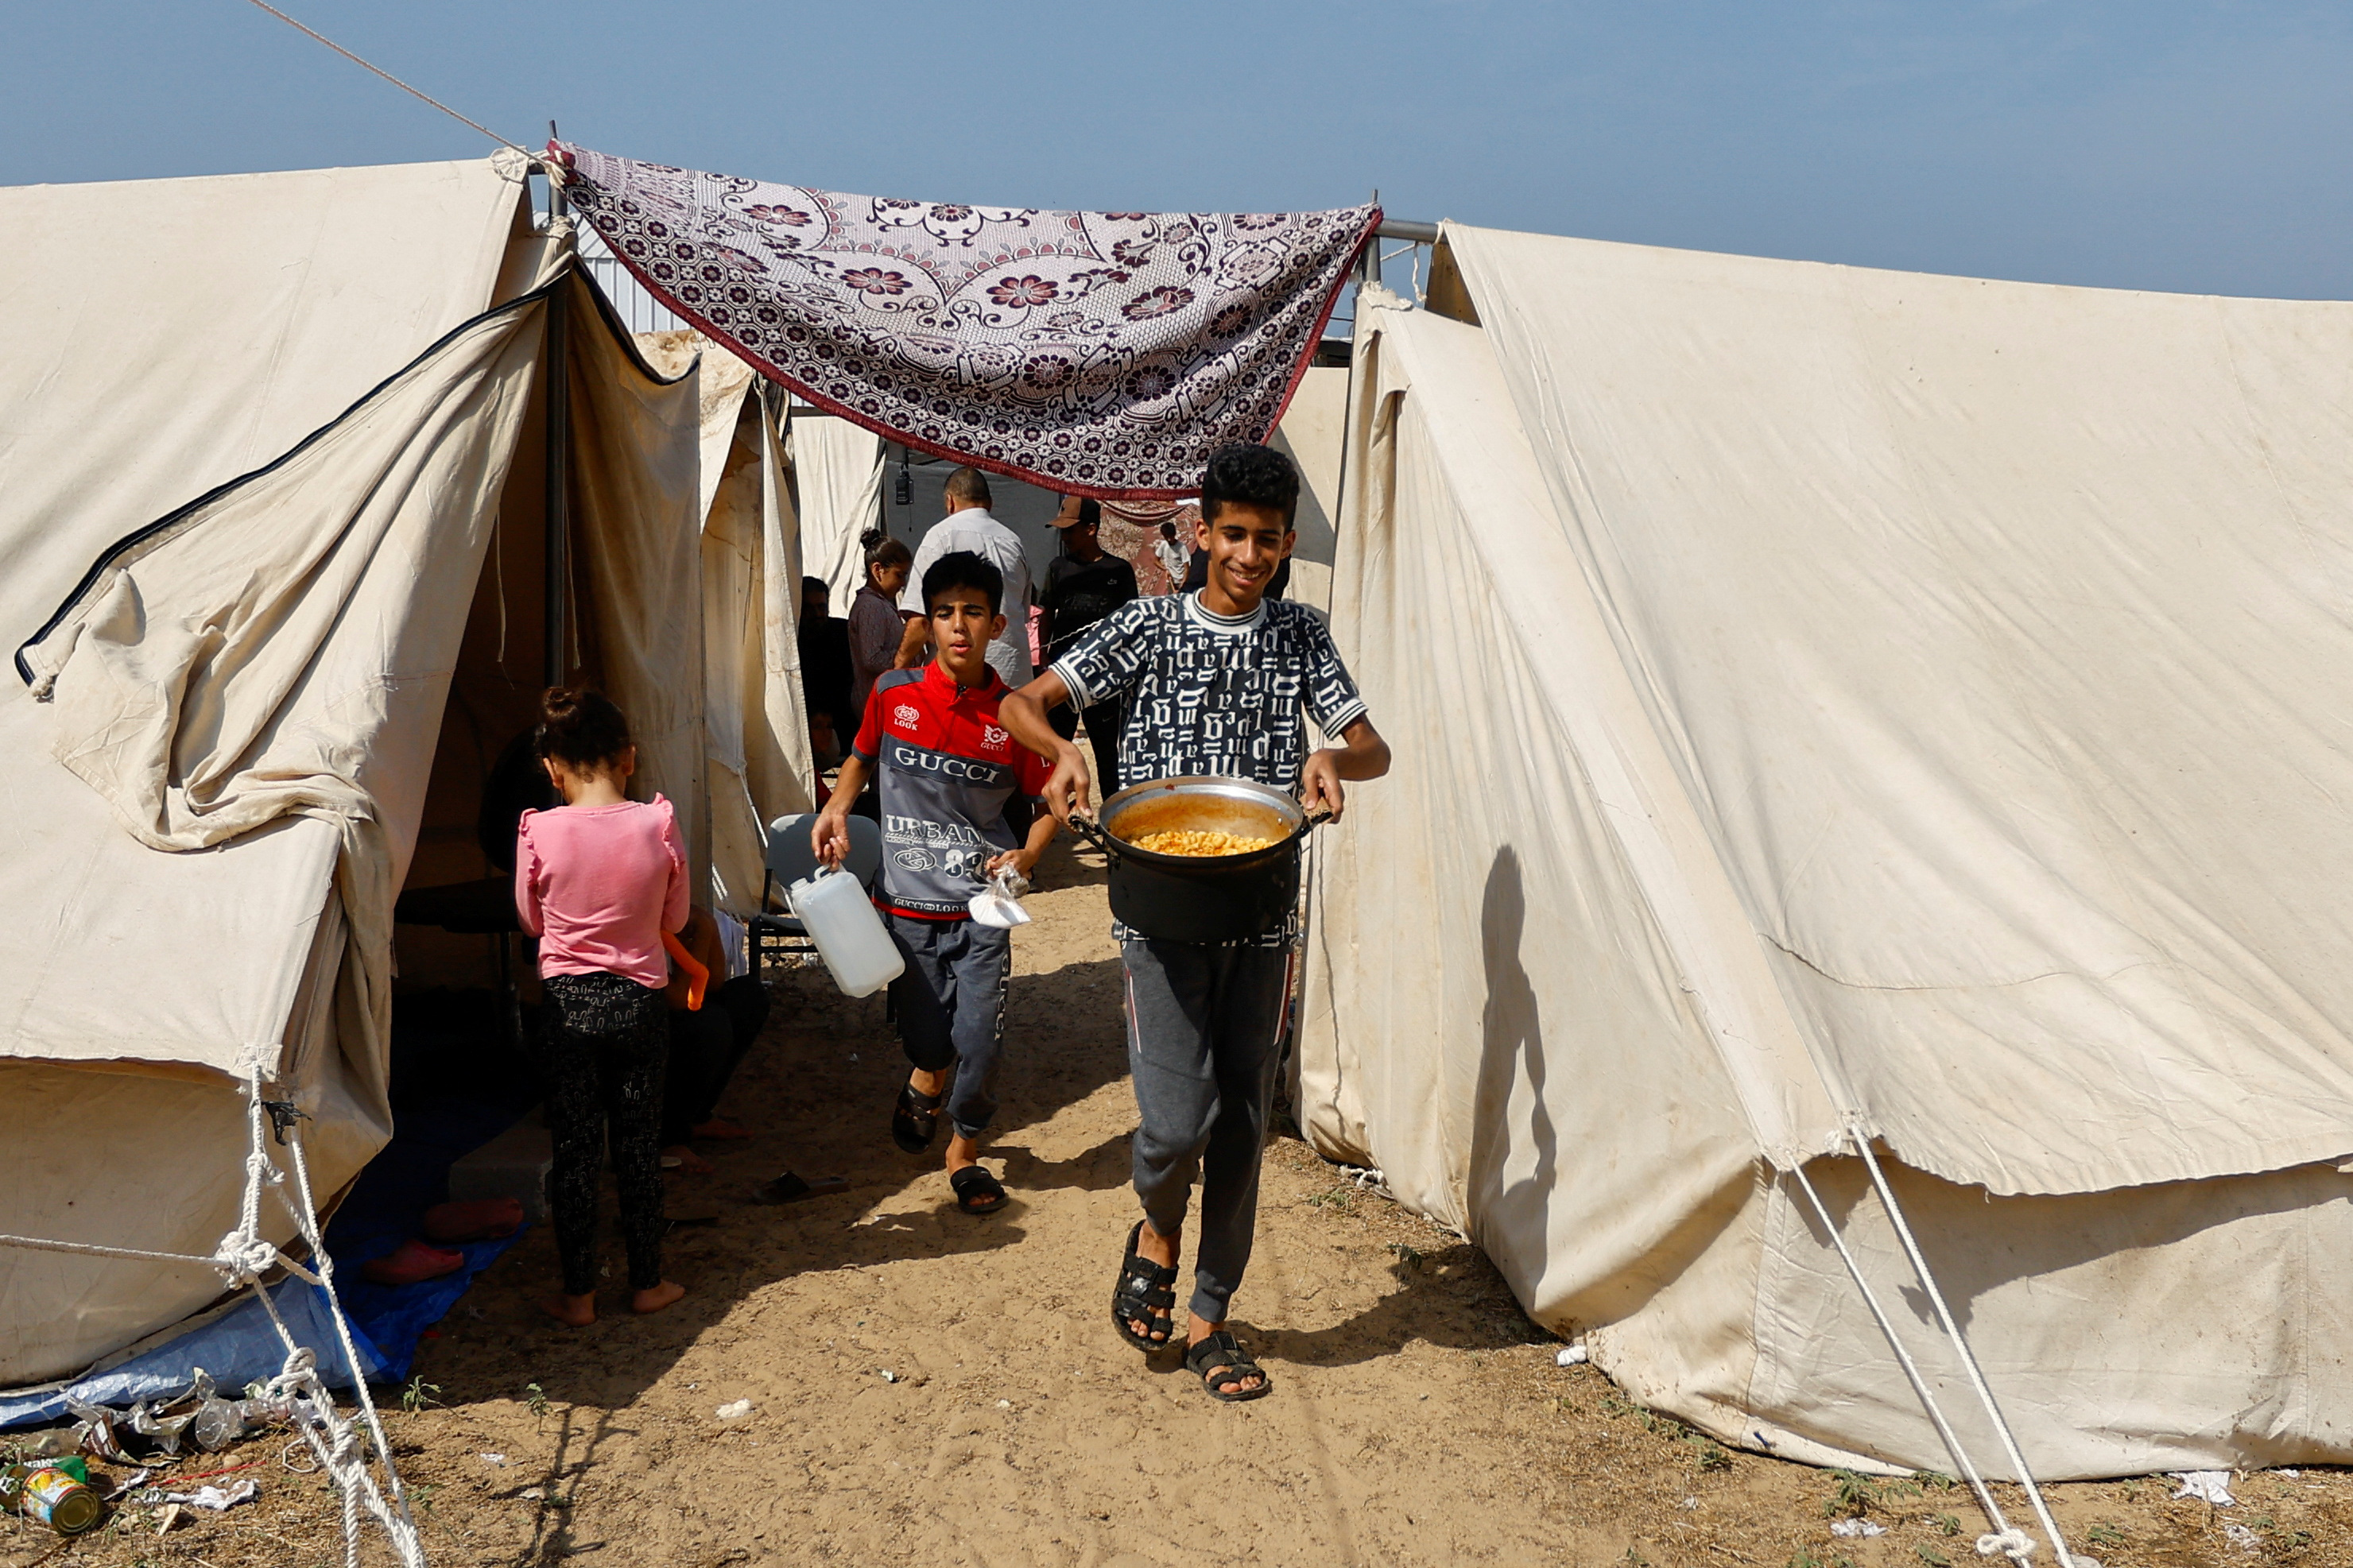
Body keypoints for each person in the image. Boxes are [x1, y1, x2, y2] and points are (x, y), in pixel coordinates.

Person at [1002, 443, 1390, 1403]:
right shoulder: (1143, 628)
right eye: (1232, 535)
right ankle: (1156, 1229)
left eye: (1266, 540)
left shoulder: (1300, 634)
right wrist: (1059, 750)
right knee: (1176, 1123)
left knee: (1245, 1122)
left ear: (1285, 542)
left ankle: (1211, 1314)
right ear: (1199, 534)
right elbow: (1020, 701)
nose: (1248, 555)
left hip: (1261, 907)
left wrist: (1333, 763)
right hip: (1159, 908)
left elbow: (1369, 744)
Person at [820, 550, 1059, 1215]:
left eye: (973, 613)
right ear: (926, 622)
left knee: (980, 1040)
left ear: (999, 625)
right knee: (931, 1041)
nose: (960, 626)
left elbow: (1048, 809)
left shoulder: (1014, 716)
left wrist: (1028, 856)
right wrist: (838, 805)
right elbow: (859, 761)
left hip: (987, 907)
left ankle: (965, 1148)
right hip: (904, 909)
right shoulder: (892, 693)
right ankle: (926, 1075)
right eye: (946, 612)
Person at [513, 687, 691, 1325]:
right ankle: (648, 1281)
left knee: (577, 1151)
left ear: (552, 768)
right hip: (641, 1000)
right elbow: (678, 915)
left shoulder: (537, 829)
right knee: (640, 1145)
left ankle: (579, 1293)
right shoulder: (659, 823)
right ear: (629, 758)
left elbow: (531, 922)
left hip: (566, 1005)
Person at [894, 467, 1034, 687]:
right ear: (990, 504)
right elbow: (1020, 614)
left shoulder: (940, 537)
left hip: (958, 680)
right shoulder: (1014, 542)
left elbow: (921, 619)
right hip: (1011, 677)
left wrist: (897, 672)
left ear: (950, 502)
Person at [1039, 497, 1138, 796]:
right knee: (1056, 748)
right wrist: (1045, 657)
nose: (1065, 537)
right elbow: (1046, 613)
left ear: (1092, 529)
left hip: (1104, 678)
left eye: (1070, 530)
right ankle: (1055, 816)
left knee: (1107, 751)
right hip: (1062, 674)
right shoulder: (1058, 568)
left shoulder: (1117, 571)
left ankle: (1111, 818)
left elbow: (1131, 624)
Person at [849, 531, 913, 722]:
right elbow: (872, 659)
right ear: (878, 570)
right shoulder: (871, 606)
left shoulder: (880, 603)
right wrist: (909, 653)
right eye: (899, 575)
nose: (902, 583)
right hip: (875, 703)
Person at [1151, 519, 1189, 593]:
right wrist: (1165, 569)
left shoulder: (1182, 547)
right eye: (1166, 537)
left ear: (1174, 534)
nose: (1169, 539)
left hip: (1181, 581)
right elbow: (1155, 561)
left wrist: (1183, 585)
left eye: (1170, 537)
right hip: (1171, 581)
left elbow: (1187, 568)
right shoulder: (1163, 545)